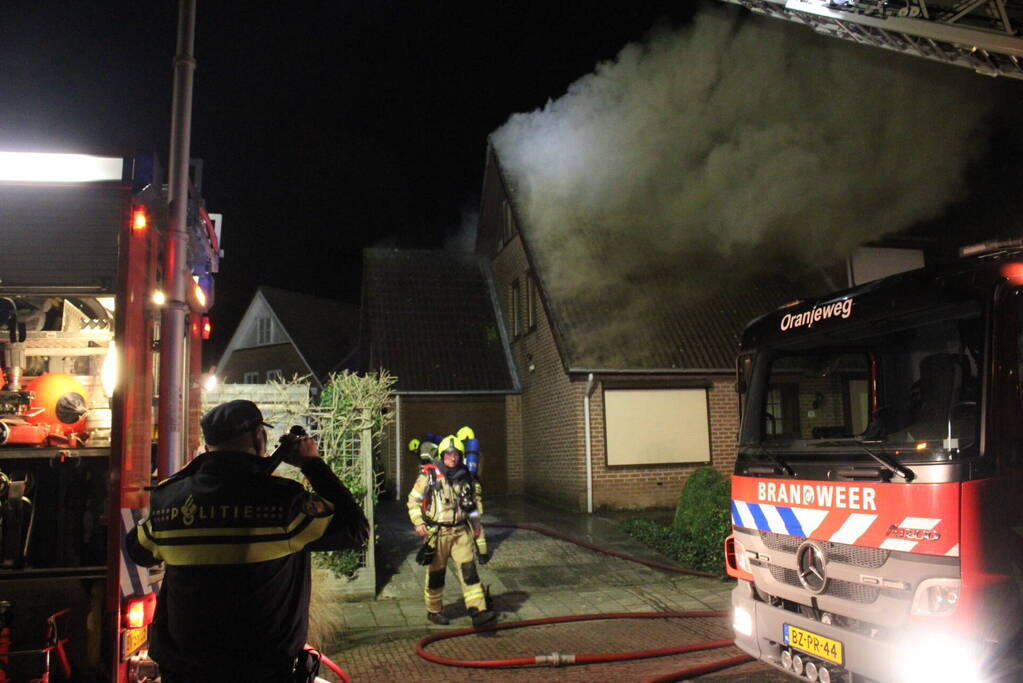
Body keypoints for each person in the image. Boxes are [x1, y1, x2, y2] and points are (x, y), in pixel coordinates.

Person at [126, 399, 369, 683]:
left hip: (185, 672)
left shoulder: (169, 502)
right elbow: (355, 529)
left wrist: (186, 479)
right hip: (262, 672)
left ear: (208, 446)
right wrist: (311, 463)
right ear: (259, 437)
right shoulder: (283, 503)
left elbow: (139, 552)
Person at [407, 434, 495, 627]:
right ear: (442, 455)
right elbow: (413, 501)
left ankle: (478, 610)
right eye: (448, 454)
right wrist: (418, 522)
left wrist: (477, 527)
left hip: (460, 532)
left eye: (456, 454)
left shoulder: (466, 476)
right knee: (436, 574)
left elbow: (473, 506)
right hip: (438, 534)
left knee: (469, 572)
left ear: (461, 456)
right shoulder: (429, 475)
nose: (452, 458)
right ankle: (434, 610)